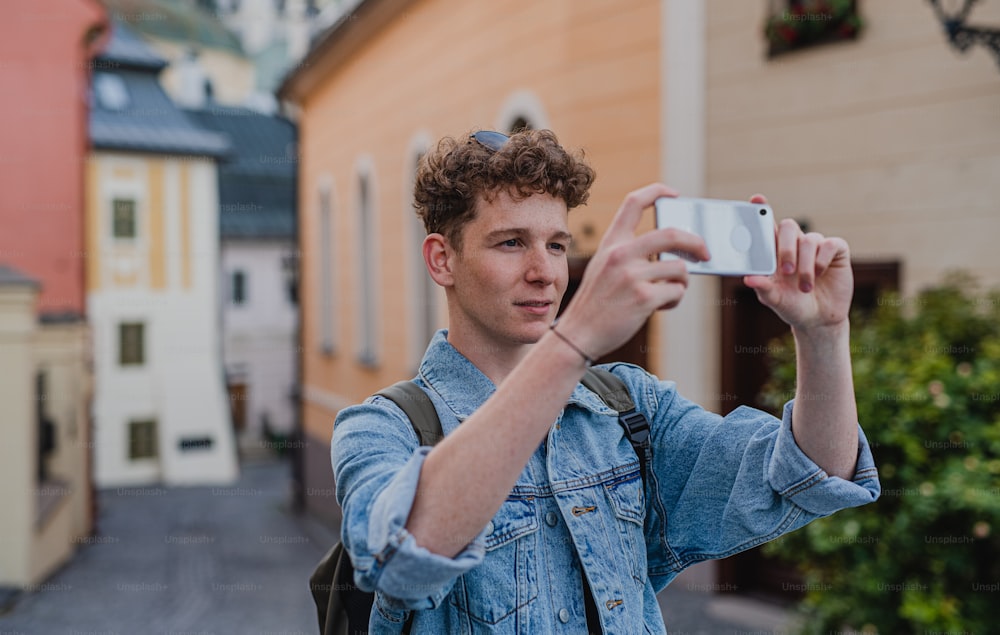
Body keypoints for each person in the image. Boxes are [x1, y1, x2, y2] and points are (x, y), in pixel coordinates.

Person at [331, 128, 880, 634]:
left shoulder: (627, 406)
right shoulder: (380, 427)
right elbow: (400, 557)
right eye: (510, 243)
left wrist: (824, 335)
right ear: (441, 259)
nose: (544, 271)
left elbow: (809, 474)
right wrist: (574, 341)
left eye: (556, 245)